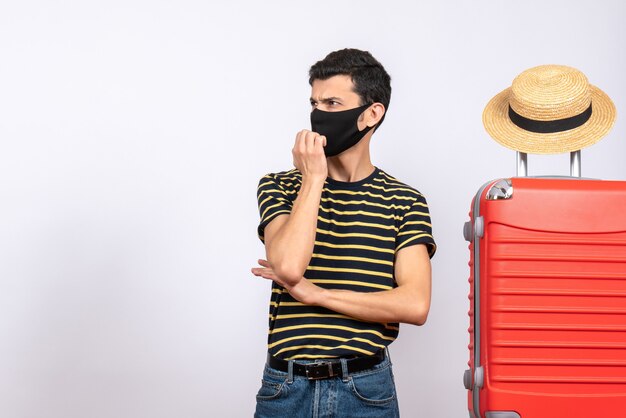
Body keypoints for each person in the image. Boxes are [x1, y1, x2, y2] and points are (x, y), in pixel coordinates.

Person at [251, 48, 436, 418]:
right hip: (286, 387)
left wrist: (317, 294)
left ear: (372, 113)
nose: (319, 115)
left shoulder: (404, 200)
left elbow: (414, 305)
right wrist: (314, 179)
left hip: (366, 389)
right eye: (314, 103)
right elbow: (288, 267)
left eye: (333, 103)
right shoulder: (280, 186)